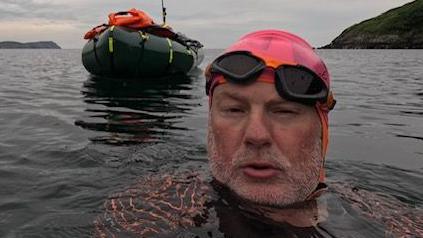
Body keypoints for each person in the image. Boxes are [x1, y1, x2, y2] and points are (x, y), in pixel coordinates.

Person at [206, 29, 335, 207]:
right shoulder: (164, 207)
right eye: (234, 110)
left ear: (322, 130)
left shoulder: (378, 220)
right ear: (210, 124)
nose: (256, 136)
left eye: (284, 112)